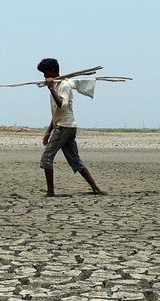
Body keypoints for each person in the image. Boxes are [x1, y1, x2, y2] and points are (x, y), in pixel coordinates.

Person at [37, 58, 104, 197]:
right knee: (75, 161)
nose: (44, 76)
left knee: (46, 158)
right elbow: (57, 112)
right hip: (64, 126)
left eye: (46, 72)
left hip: (65, 128)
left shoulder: (64, 85)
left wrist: (50, 89)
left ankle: (50, 193)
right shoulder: (55, 85)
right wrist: (48, 131)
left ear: (53, 71)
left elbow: (62, 104)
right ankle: (96, 189)